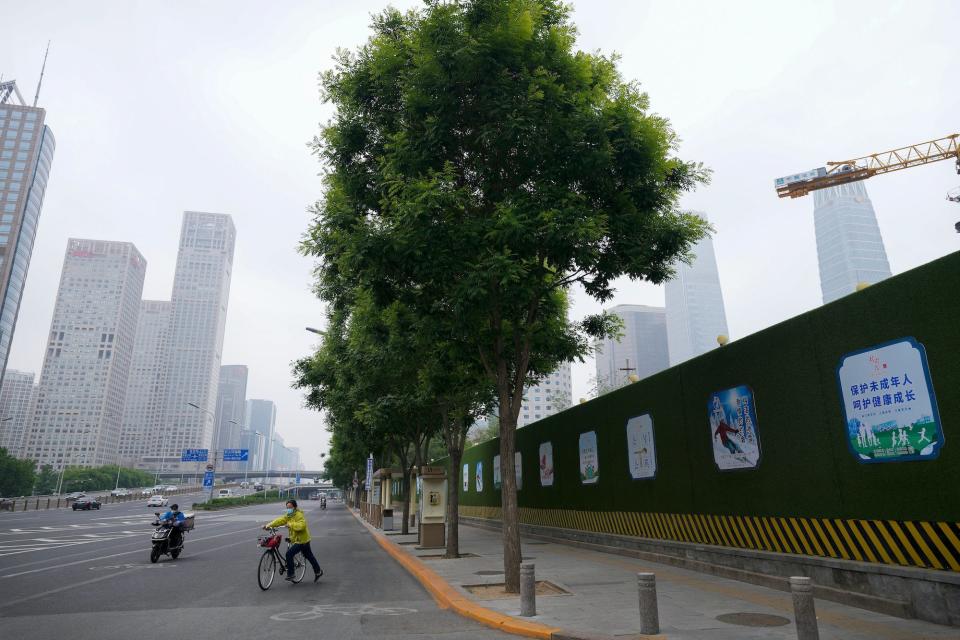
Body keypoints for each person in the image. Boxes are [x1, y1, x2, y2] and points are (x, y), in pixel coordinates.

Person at [264, 499, 322, 582]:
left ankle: (291, 574)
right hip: (297, 539)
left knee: (289, 554)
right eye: (287, 507)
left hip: (302, 540)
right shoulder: (288, 515)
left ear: (295, 507)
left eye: (290, 507)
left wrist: (290, 524)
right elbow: (280, 520)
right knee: (309, 556)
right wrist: (268, 525)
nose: (288, 509)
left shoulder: (299, 515)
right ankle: (318, 571)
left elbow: (302, 525)